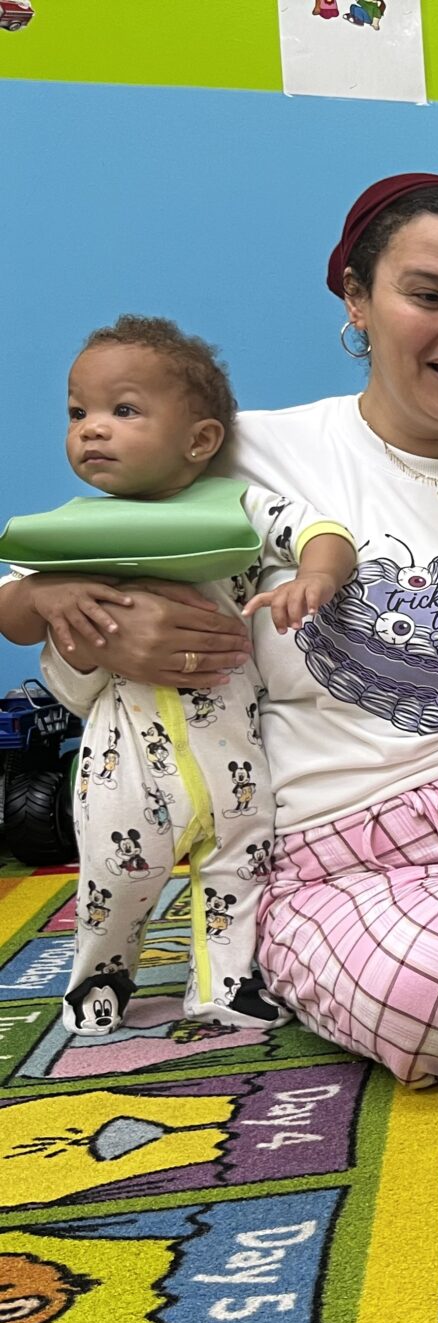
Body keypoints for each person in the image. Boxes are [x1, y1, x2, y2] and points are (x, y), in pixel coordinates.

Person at [10, 174, 438, 1086]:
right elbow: (67, 594)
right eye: (428, 296)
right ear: (356, 299)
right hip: (338, 854)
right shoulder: (238, 456)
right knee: (435, 998)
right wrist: (107, 630)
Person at [0, 316, 355, 1034]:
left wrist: (313, 578)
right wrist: (42, 595)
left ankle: (224, 983)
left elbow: (322, 531)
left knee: (240, 860)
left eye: (122, 410)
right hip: (121, 751)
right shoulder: (72, 531)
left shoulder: (237, 508)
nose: (92, 429)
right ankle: (101, 976)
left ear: (199, 440)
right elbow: (11, 608)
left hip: (231, 745)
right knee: (114, 874)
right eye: (79, 413)